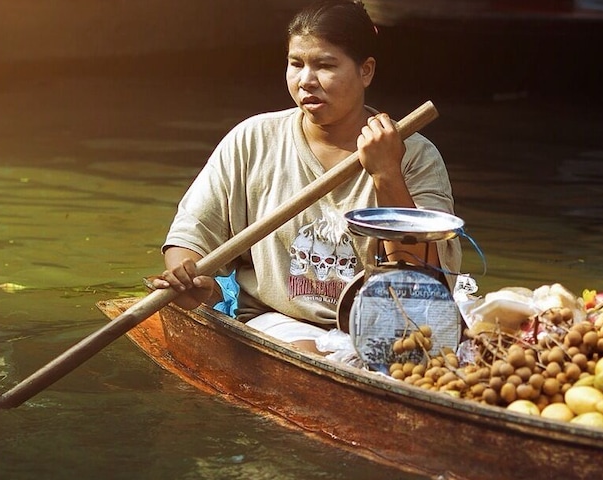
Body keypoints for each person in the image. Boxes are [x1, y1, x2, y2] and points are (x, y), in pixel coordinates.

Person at [151, 0, 460, 354]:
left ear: (366, 71)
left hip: (386, 326)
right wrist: (187, 278)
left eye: (325, 65)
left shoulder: (414, 155)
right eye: (296, 64)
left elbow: (421, 278)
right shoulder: (253, 139)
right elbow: (191, 235)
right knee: (306, 350)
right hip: (276, 319)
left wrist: (387, 174)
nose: (306, 81)